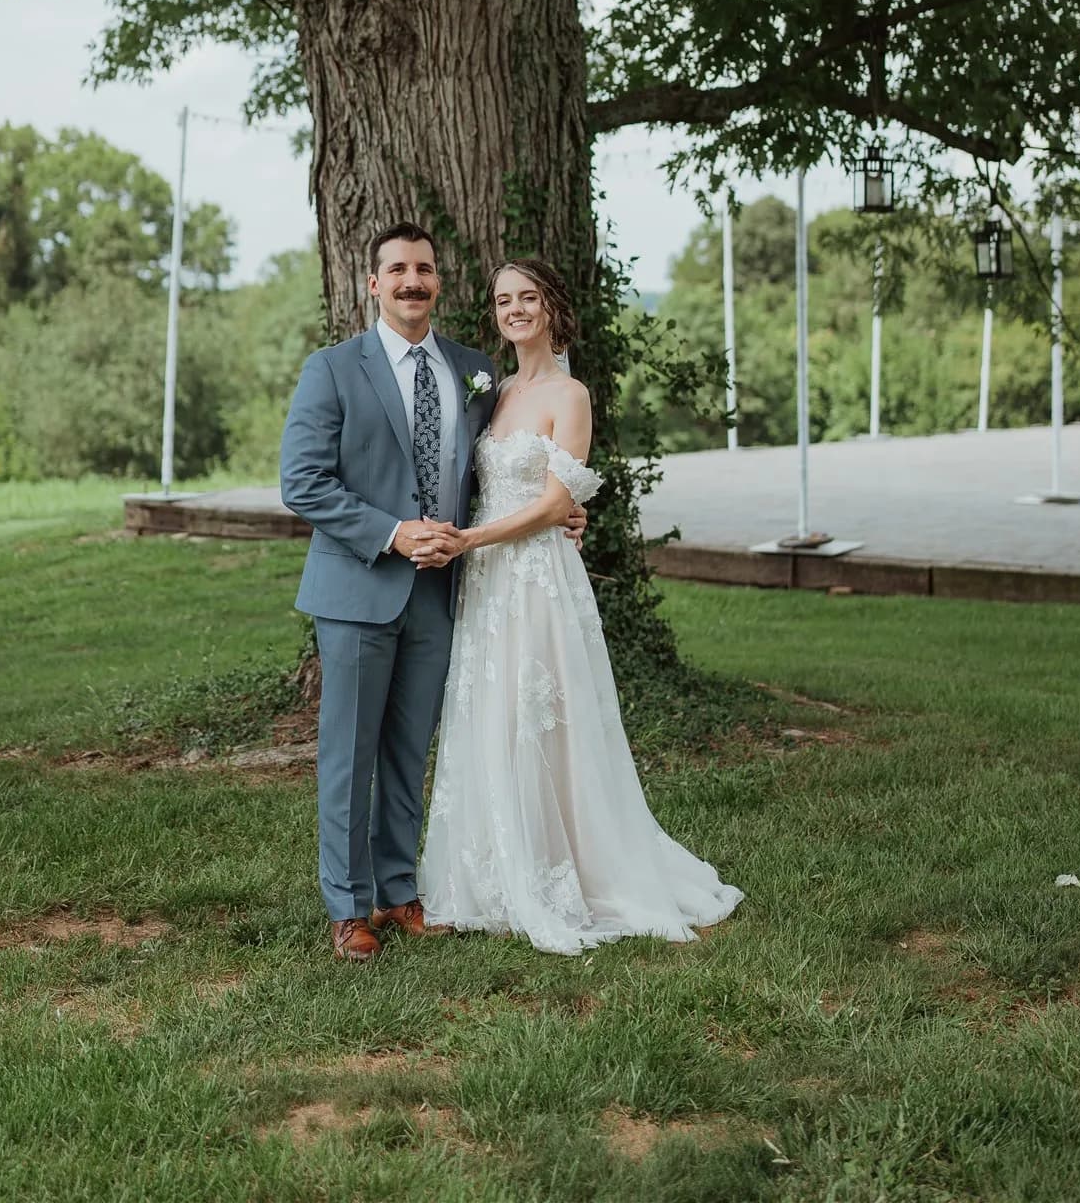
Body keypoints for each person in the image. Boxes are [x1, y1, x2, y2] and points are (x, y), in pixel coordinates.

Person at [279, 223, 589, 962]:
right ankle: (347, 908)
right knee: (349, 755)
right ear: (373, 284)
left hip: (442, 593)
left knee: (411, 748)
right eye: (397, 270)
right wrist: (392, 533)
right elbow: (303, 483)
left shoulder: (474, 372)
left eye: (423, 269)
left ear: (437, 282)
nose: (412, 281)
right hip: (357, 589)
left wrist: (565, 507)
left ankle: (398, 892)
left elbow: (504, 466)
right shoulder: (332, 369)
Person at [417, 257, 743, 955]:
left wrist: (471, 538)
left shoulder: (571, 395)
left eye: (527, 297)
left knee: (542, 719)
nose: (515, 310)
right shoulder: (492, 390)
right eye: (504, 300)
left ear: (550, 306)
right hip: (488, 583)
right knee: (489, 711)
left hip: (535, 577)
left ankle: (568, 871)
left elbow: (559, 502)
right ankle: (489, 875)